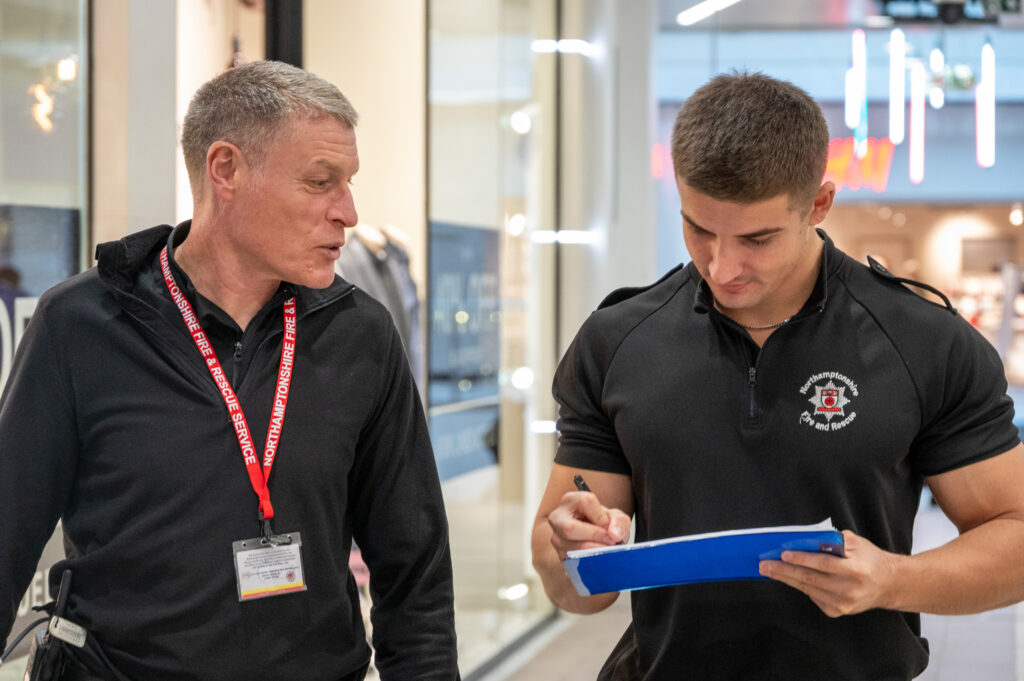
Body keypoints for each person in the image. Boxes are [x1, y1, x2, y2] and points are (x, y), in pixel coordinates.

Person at [531, 72, 1024, 680]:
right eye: (698, 229)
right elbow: (576, 590)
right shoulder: (616, 342)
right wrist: (568, 550)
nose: (721, 265)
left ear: (818, 204)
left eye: (756, 238)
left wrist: (892, 581)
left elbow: (1016, 536)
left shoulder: (925, 342)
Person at [0, 61, 458, 681]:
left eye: (348, 182)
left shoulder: (360, 332)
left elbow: (416, 573)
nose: (347, 212)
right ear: (226, 170)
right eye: (320, 181)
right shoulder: (81, 325)